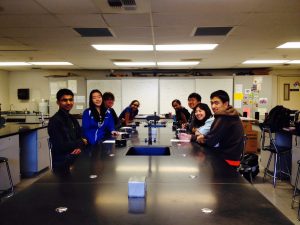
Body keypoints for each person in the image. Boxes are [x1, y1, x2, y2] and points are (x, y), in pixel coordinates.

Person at [197, 90, 244, 167]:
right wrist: (205, 137)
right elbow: (214, 135)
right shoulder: (230, 114)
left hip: (227, 160)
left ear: (225, 104)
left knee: (199, 161)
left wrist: (201, 139)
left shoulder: (224, 117)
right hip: (233, 157)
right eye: (212, 103)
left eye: (216, 103)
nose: (213, 106)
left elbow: (211, 141)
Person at [48, 88, 87, 171]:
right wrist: (81, 142)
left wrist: (79, 147)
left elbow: (80, 136)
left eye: (70, 100)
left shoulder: (72, 118)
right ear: (58, 102)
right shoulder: (54, 121)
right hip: (62, 162)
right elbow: (60, 146)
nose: (68, 103)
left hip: (75, 157)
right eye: (64, 100)